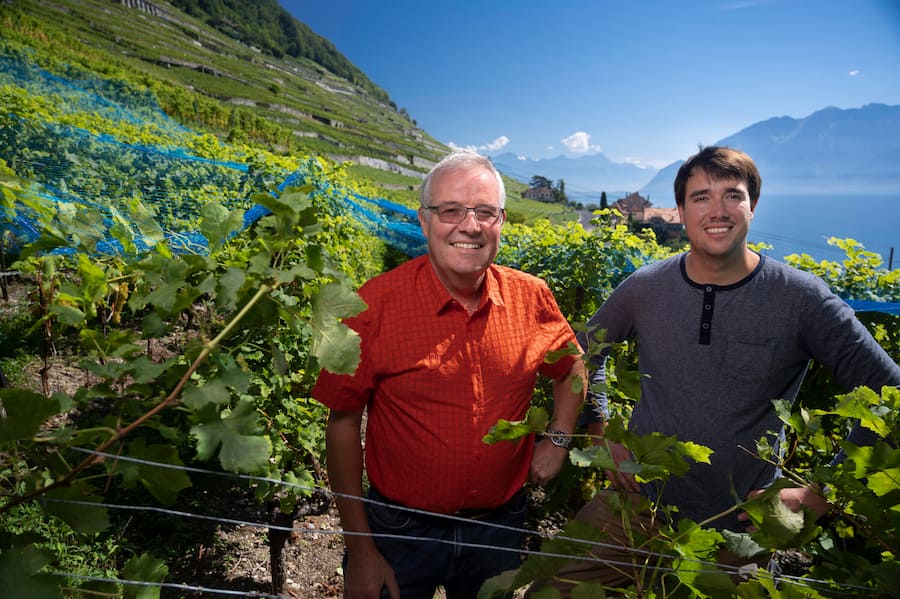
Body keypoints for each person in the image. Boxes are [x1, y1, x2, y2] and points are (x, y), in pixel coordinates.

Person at [534, 146, 900, 594]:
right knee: (552, 588)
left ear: (753, 206)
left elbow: (890, 392)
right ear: (682, 211)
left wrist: (817, 495)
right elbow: (584, 354)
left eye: (733, 195)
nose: (717, 210)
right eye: (701, 197)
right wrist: (599, 429)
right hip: (635, 504)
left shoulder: (803, 300)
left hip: (737, 527)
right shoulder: (645, 288)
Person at [312, 149, 586, 599]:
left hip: (499, 529)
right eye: (451, 210)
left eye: (484, 212)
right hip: (399, 530)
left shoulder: (531, 298)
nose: (469, 225)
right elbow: (342, 422)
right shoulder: (374, 305)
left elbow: (570, 366)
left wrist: (558, 439)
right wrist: (360, 550)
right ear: (423, 221)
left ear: (501, 222)